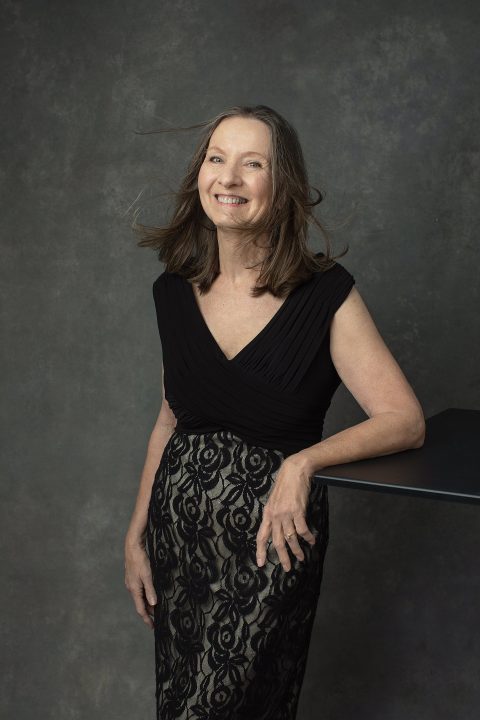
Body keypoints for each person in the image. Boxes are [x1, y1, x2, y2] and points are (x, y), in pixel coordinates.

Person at [124, 105, 425, 720]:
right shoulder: (172, 290)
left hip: (270, 542)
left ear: (280, 184)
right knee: (180, 701)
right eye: (217, 159)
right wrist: (136, 533)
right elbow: (170, 420)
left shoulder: (325, 293)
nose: (229, 178)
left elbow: (404, 420)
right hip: (179, 541)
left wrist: (303, 463)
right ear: (200, 175)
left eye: (251, 163)